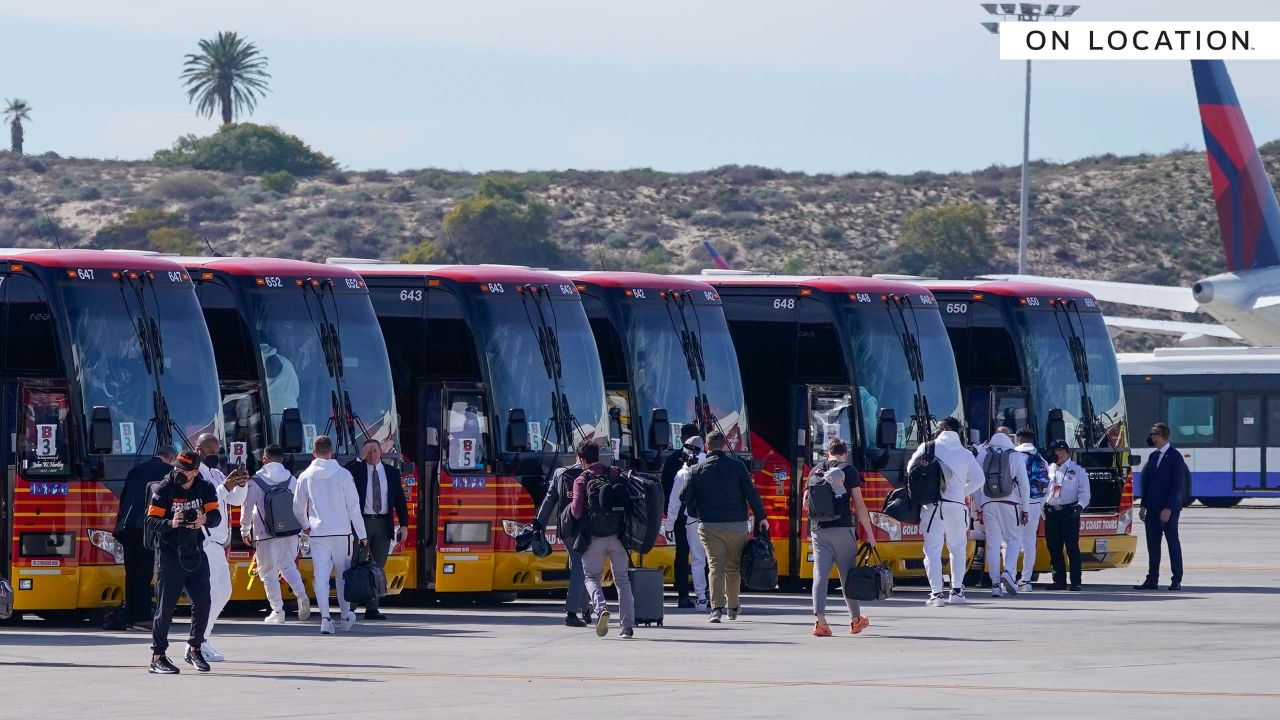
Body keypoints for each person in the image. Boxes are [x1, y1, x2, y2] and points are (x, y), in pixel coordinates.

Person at [144, 451, 220, 674]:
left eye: (184, 470)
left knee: (203, 602)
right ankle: (157, 656)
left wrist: (203, 519)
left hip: (195, 551)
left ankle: (194, 648)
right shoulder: (163, 489)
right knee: (165, 607)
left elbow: (216, 518)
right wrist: (171, 522)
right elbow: (151, 522)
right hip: (169, 554)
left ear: (195, 471)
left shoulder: (205, 488)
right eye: (176, 467)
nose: (178, 472)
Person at [682, 430, 768, 623]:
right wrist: (762, 517)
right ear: (724, 445)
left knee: (715, 567)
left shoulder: (696, 469)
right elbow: (751, 493)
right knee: (733, 567)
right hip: (737, 525)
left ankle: (716, 610)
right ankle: (733, 607)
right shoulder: (737, 467)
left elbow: (683, 496)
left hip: (709, 526)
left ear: (707, 446)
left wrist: (694, 508)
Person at [293, 435, 368, 634]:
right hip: (342, 533)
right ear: (331, 451)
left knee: (321, 577)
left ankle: (325, 618)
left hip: (318, 533)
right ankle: (345, 616)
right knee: (343, 576)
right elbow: (353, 507)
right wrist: (362, 534)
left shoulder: (305, 475)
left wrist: (305, 525)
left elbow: (298, 507)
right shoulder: (343, 474)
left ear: (314, 453)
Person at [907, 417, 984, 607]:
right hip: (957, 506)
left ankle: (936, 594)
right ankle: (957, 591)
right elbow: (979, 480)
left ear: (941, 429)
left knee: (932, 549)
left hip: (932, 506)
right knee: (957, 549)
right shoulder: (965, 453)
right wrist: (960, 493)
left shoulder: (927, 447)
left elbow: (911, 469)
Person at [808, 439, 875, 637]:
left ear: (827, 453)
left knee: (820, 574)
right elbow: (860, 505)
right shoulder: (849, 470)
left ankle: (820, 622)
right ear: (845, 454)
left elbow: (806, 504)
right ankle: (855, 620)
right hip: (842, 528)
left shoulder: (815, 471)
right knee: (847, 575)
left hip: (818, 530)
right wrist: (870, 536)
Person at [570, 441, 635, 639]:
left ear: (582, 459)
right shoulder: (615, 473)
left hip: (594, 538)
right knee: (622, 580)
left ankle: (601, 609)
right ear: (598, 455)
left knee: (591, 577)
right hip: (618, 536)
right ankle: (627, 627)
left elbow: (576, 511)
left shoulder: (582, 480)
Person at [240, 444, 312, 624]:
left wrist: (244, 529)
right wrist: (303, 527)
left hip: (265, 534)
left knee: (268, 573)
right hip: (290, 531)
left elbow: (247, 507)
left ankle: (277, 611)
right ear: (282, 459)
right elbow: (301, 505)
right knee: (287, 565)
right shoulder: (291, 479)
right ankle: (301, 594)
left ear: (264, 459)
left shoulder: (256, 480)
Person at [195, 432, 247, 662]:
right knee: (209, 594)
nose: (215, 456)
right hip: (204, 541)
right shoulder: (195, 476)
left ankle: (202, 638)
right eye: (210, 452)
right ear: (199, 451)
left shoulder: (216, 473)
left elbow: (235, 500)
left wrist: (241, 484)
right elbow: (206, 503)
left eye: (217, 452)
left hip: (218, 543)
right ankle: (198, 642)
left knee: (223, 592)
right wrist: (226, 487)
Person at [345, 439, 409, 620]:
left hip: (383, 523)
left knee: (378, 566)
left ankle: (373, 607)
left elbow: (400, 501)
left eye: (374, 450)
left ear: (381, 452)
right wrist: (359, 458)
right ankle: (350, 607)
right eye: (368, 451)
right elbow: (345, 472)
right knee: (357, 564)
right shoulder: (356, 471)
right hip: (362, 523)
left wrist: (404, 525)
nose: (372, 454)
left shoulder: (392, 473)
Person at [114, 445, 175, 632]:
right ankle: (141, 618)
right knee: (144, 574)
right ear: (171, 458)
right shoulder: (168, 473)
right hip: (147, 529)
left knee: (131, 573)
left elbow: (124, 499)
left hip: (127, 526)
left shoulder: (136, 469)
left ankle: (130, 617)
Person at [534, 451, 593, 627]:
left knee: (578, 565)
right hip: (585, 528)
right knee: (580, 565)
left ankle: (585, 608)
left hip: (566, 527)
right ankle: (571, 612)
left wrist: (539, 525)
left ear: (576, 455)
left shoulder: (560, 473)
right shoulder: (592, 474)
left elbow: (549, 501)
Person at [974, 428, 1030, 598]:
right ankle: (1008, 572)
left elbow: (976, 485)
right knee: (1013, 539)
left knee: (992, 544)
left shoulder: (982, 455)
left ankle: (995, 585)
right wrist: (1025, 509)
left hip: (988, 504)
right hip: (1010, 503)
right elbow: (1024, 486)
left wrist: (979, 508)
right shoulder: (1016, 456)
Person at [1134, 422, 1186, 591]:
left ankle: (1176, 579)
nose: (1152, 437)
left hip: (1168, 510)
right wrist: (1143, 505)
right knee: (1153, 545)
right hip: (1153, 508)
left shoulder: (1175, 456)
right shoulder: (1153, 457)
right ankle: (1152, 579)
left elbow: (1177, 485)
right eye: (1152, 434)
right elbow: (1148, 483)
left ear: (1163, 436)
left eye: (1154, 434)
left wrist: (1168, 508)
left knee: (1172, 543)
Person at [664, 434, 708, 612]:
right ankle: (719, 597)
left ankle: (701, 598)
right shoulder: (712, 465)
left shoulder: (683, 473)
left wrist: (668, 526)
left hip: (691, 520)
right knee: (712, 560)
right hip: (716, 519)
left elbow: (674, 503)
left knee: (694, 558)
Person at [1044, 439, 1090, 591]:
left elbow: (1084, 492)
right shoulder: (1048, 468)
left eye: (1057, 452)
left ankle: (1076, 581)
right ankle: (1059, 580)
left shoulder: (1077, 470)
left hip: (1069, 512)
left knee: (1072, 548)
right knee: (1054, 548)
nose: (1055, 455)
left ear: (1064, 452)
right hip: (1052, 512)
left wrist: (1079, 507)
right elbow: (1043, 489)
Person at [1013, 429, 1050, 593]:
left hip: (1014, 503)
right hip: (1034, 505)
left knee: (1010, 541)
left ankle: (1009, 576)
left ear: (1018, 440)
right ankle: (1025, 581)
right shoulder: (1041, 459)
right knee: (1029, 543)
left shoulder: (1013, 456)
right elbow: (1046, 485)